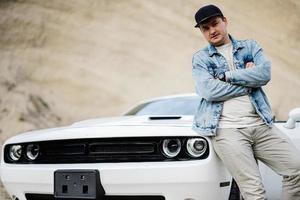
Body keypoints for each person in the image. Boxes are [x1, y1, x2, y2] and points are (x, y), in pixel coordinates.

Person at [191, 4, 300, 200]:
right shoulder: (201, 59)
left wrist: (226, 76)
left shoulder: (250, 47)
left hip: (261, 125)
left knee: (297, 170)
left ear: (225, 21)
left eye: (214, 24)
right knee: (254, 192)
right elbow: (209, 91)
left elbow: (264, 74)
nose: (212, 31)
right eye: (205, 28)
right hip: (227, 130)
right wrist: (249, 80)